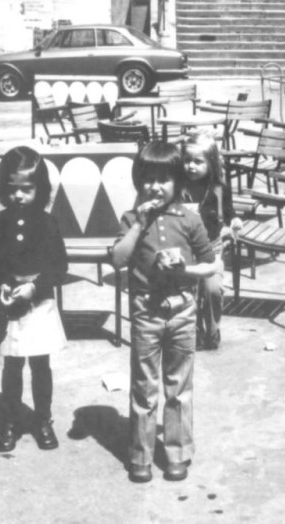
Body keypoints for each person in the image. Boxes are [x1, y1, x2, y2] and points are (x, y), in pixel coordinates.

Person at [110, 141, 217, 483]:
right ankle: (140, 455)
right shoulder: (131, 218)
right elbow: (117, 259)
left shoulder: (189, 218)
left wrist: (185, 269)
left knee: (179, 386)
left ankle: (177, 453)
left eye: (164, 179)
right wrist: (139, 225)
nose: (155, 187)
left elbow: (210, 265)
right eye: (148, 179)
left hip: (182, 308)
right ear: (138, 181)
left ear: (178, 182)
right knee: (144, 386)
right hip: (146, 309)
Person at [0, 146, 68, 453]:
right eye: (11, 189)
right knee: (12, 366)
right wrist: (2, 284)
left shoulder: (48, 223)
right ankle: (10, 421)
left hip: (39, 301)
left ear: (40, 190)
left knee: (41, 365)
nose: (18, 195)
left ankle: (43, 419)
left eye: (27, 189)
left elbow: (60, 266)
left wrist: (36, 287)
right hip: (10, 305)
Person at [180, 131, 243, 350]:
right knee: (189, 291)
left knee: (212, 290)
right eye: (187, 160)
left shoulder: (219, 187)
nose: (191, 166)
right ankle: (194, 330)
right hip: (185, 249)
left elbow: (229, 211)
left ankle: (213, 329)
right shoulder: (178, 187)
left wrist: (234, 220)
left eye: (198, 162)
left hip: (212, 247)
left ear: (211, 163)